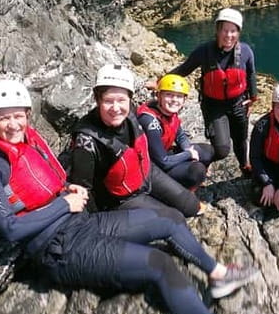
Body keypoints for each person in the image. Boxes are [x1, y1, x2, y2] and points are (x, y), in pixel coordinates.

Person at [0, 78, 279, 314]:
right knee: (160, 264)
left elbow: (46, 177)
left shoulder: (28, 140)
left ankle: (218, 273)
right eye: (5, 118)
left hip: (80, 224)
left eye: (19, 115)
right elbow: (10, 228)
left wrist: (68, 190)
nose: (14, 124)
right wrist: (65, 205)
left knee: (168, 221)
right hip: (57, 251)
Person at [64, 64, 200, 217]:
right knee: (174, 218)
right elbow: (82, 192)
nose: (116, 108)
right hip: (120, 199)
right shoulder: (86, 141)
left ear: (130, 98)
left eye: (121, 100)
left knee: (191, 206)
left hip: (146, 173)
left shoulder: (131, 112)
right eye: (108, 101)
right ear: (97, 99)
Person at [168, 8, 257, 176]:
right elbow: (184, 69)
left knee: (241, 139)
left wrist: (253, 97)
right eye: (225, 30)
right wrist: (161, 82)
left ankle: (244, 165)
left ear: (238, 33)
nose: (229, 35)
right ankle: (197, 157)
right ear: (218, 30)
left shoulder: (245, 51)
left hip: (238, 103)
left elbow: (251, 74)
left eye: (233, 31)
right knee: (222, 149)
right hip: (214, 106)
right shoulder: (204, 52)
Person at [137, 73, 215, 190]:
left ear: (184, 99)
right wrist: (188, 155)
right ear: (159, 96)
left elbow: (180, 136)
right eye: (169, 95)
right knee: (197, 171)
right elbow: (163, 162)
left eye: (179, 96)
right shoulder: (150, 120)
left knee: (208, 151)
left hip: (165, 154)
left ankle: (190, 182)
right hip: (153, 166)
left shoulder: (169, 113)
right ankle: (185, 194)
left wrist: (188, 149)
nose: (174, 100)